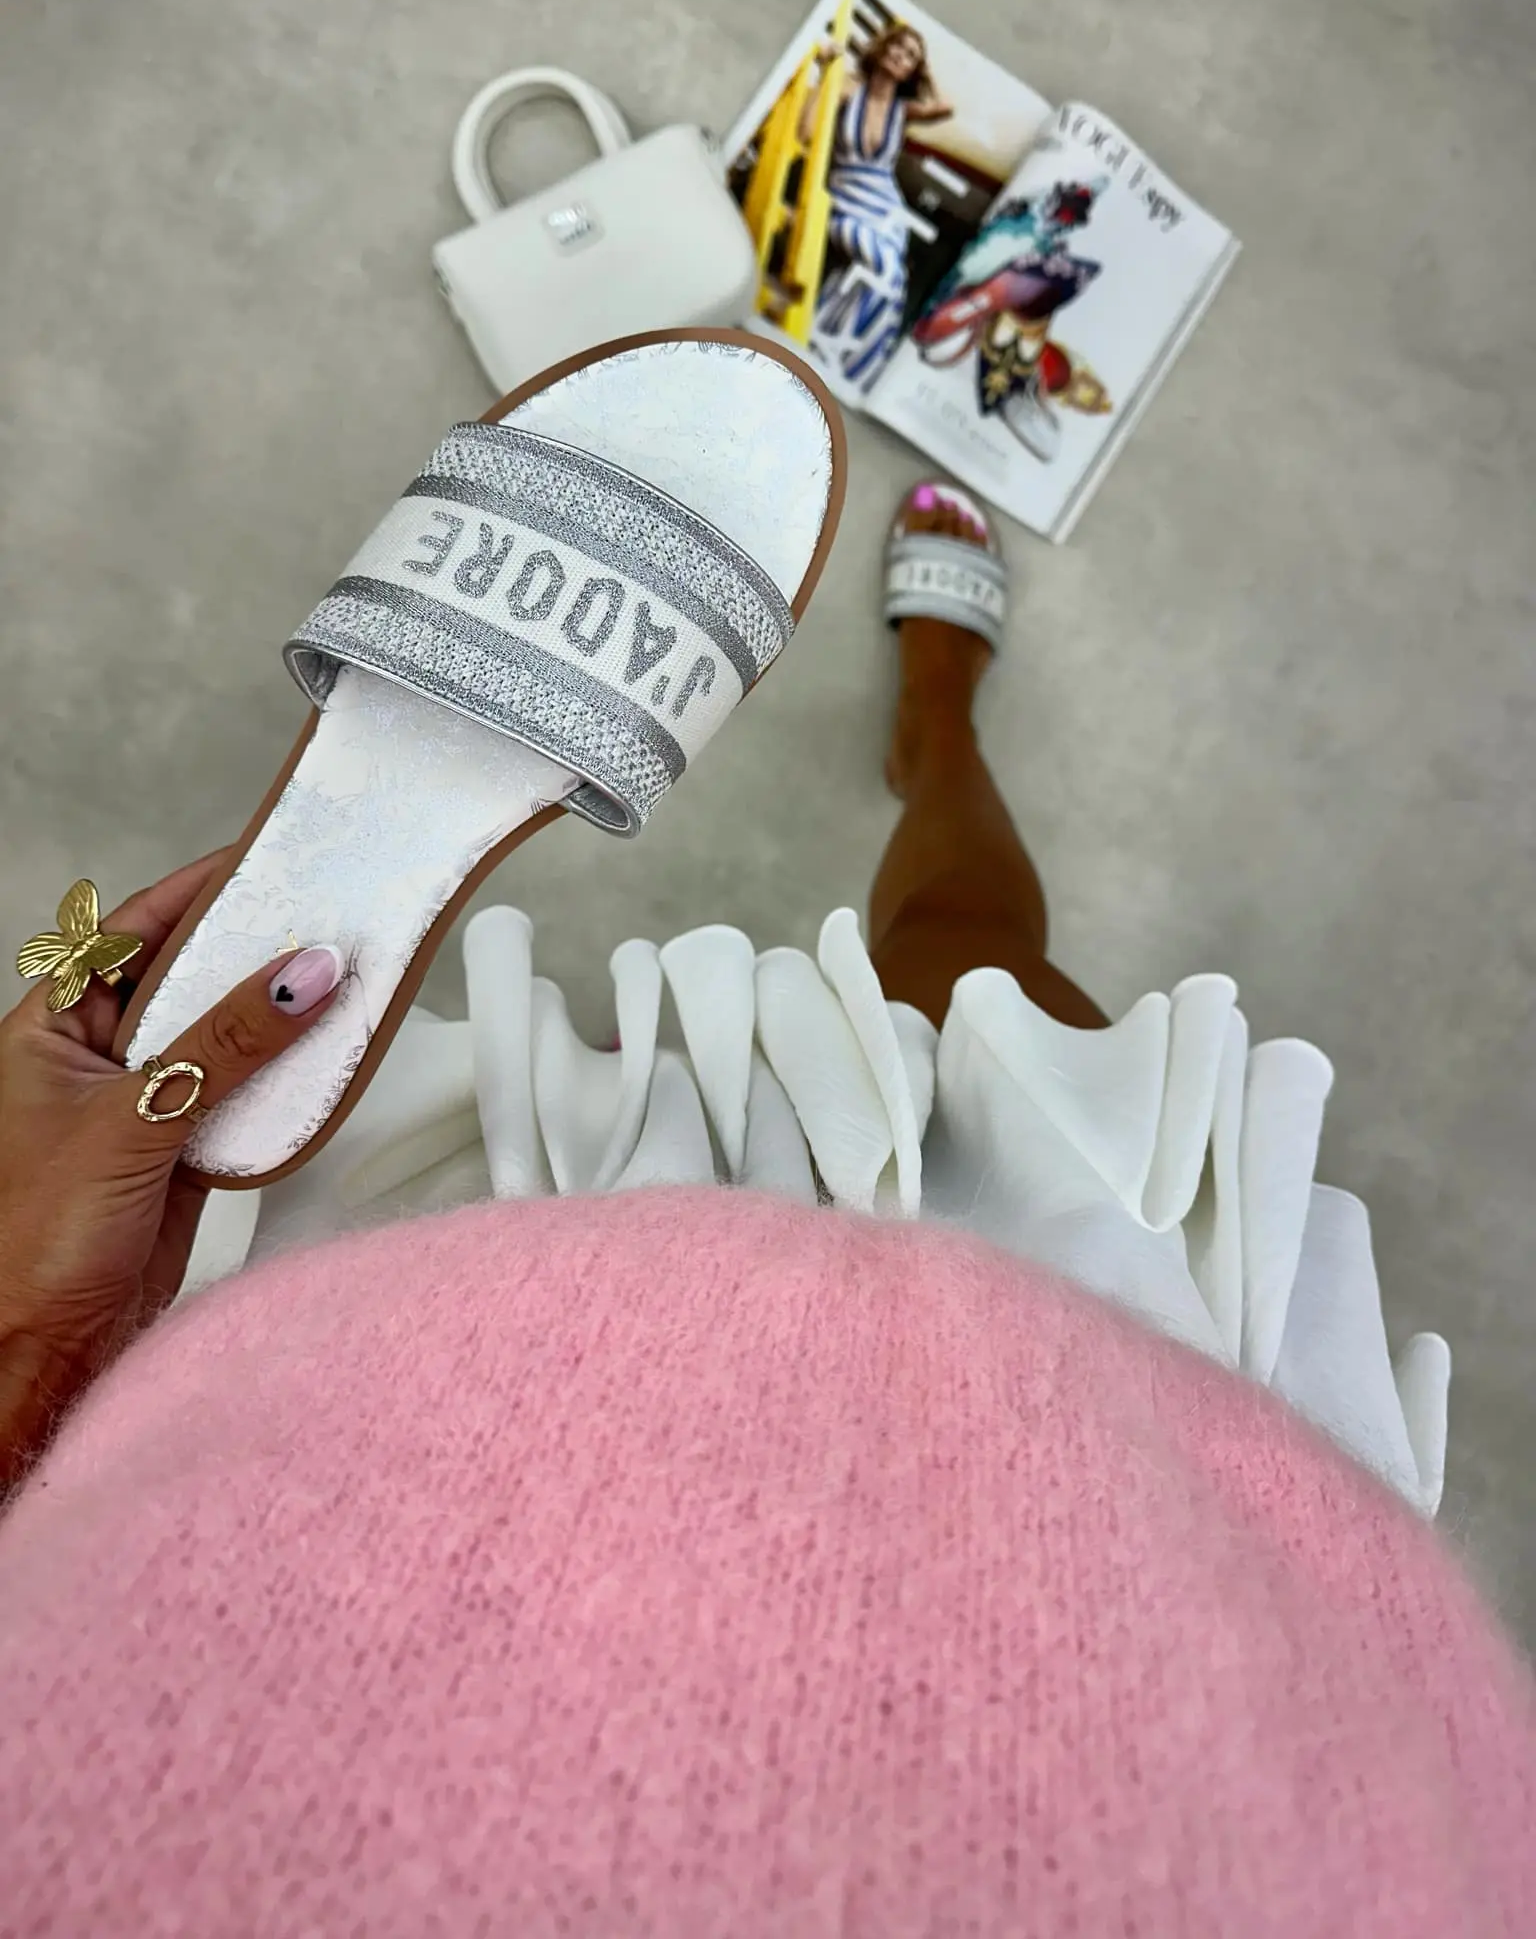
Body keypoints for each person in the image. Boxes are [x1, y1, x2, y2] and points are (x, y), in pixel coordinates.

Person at [2, 486, 1533, 1935]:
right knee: (974, 962)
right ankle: (940, 729)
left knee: (602, 1101)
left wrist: (26, 1355)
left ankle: (747, 984)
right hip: (1139, 1527)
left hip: (401, 1396)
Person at [801, 21, 953, 390]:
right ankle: (828, 347)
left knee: (890, 279)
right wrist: (826, 70)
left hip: (885, 208)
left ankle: (842, 360)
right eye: (898, 46)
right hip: (846, 197)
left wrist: (924, 72)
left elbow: (945, 107)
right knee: (883, 267)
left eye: (911, 56)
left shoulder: (902, 110)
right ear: (884, 47)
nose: (901, 55)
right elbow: (805, 133)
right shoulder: (849, 87)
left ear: (913, 70)